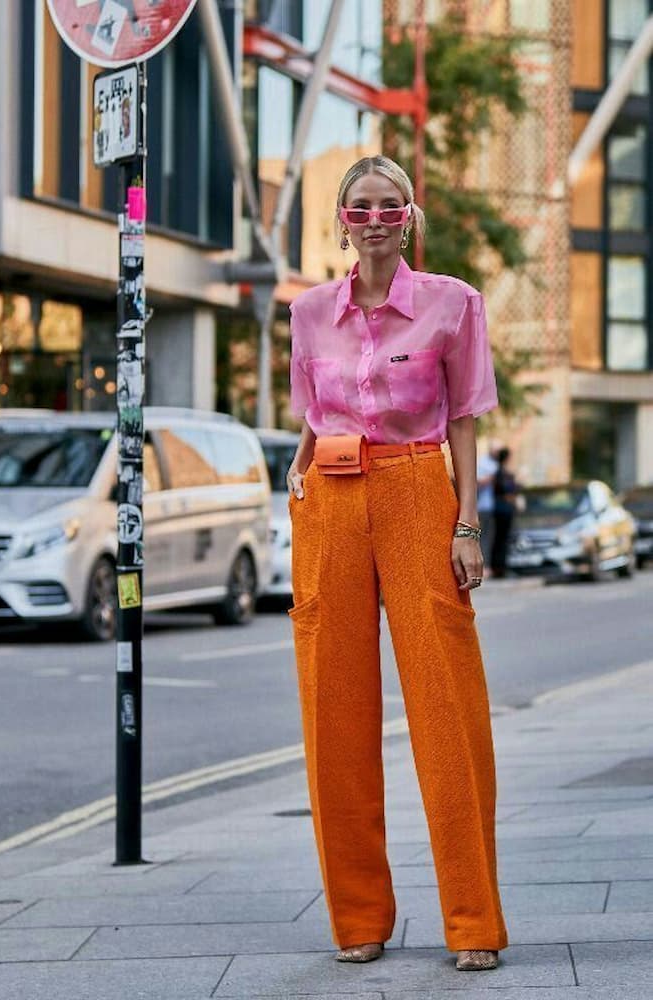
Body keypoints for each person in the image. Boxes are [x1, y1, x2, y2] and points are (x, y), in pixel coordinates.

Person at [286, 155, 508, 973]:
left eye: (390, 206)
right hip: (331, 498)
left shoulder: (453, 303)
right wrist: (299, 479)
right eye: (361, 207)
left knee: (447, 708)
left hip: (418, 490)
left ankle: (473, 920)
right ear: (341, 218)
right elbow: (311, 409)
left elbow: (467, 420)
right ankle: (358, 920)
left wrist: (467, 525)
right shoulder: (308, 311)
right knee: (332, 710)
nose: (375, 219)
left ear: (409, 216)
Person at [490, 447, 519, 579]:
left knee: (500, 539)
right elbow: (507, 492)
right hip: (504, 509)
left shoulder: (499, 473)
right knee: (502, 539)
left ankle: (499, 567)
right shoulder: (503, 474)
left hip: (500, 509)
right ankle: (499, 568)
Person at [476, 441, 500, 571]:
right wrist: (492, 477)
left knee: (492, 537)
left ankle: (490, 565)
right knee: (484, 536)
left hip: (496, 506)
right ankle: (484, 566)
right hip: (484, 505)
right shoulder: (484, 463)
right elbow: (478, 482)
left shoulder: (498, 464)